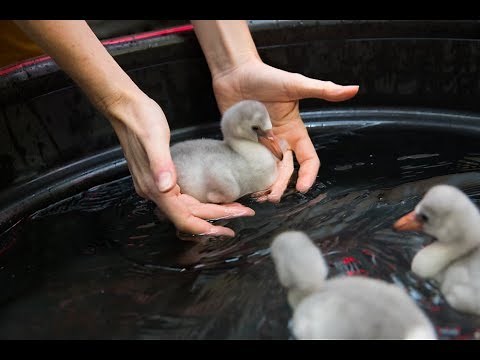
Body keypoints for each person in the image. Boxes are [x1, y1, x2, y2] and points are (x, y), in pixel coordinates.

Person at [13, 20, 359, 237]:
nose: (271, 139)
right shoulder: (231, 164)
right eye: (262, 132)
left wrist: (234, 62)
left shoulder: (241, 144)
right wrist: (121, 104)